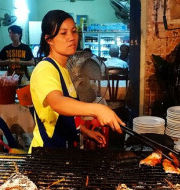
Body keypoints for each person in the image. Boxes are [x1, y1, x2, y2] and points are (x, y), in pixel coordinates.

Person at [29, 10, 123, 151]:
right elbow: (57, 103)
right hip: (47, 152)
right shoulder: (45, 69)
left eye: (74, 31)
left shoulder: (65, 69)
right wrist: (98, 109)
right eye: (63, 33)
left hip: (64, 149)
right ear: (49, 40)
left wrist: (85, 131)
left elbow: (65, 115)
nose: (72, 37)